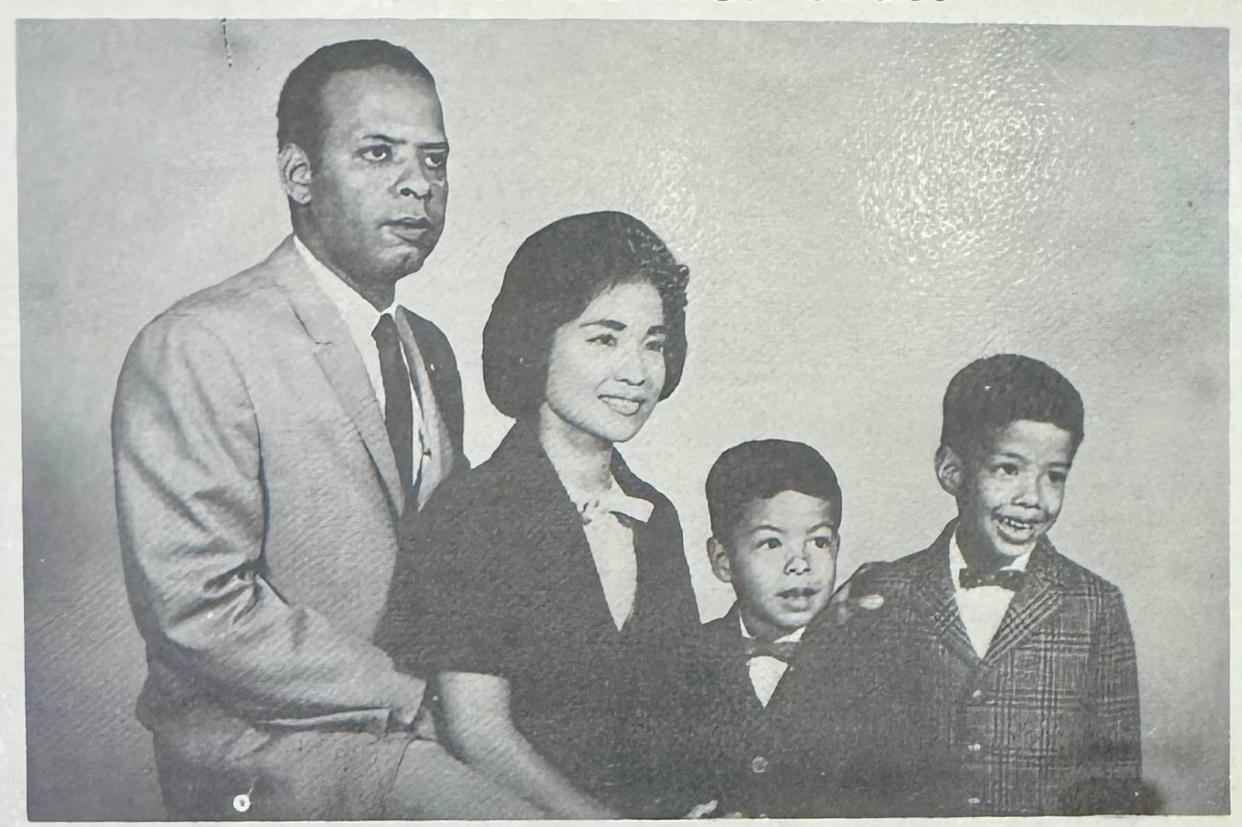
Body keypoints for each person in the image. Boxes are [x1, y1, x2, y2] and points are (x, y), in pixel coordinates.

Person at [111, 39, 541, 819]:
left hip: (412, 730)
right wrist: (415, 700)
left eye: (435, 161)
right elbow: (201, 610)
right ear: (298, 175)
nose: (418, 184)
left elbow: (465, 552)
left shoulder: (429, 350)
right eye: (378, 154)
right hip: (268, 749)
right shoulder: (201, 342)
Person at [378, 211, 699, 818]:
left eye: (653, 343)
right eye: (605, 338)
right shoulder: (472, 513)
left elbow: (682, 707)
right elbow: (481, 738)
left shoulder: (656, 516)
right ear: (535, 341)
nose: (637, 371)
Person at [849, 353, 1142, 815]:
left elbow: (1115, 787)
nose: (1033, 498)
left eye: (1055, 475)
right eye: (1008, 469)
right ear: (953, 471)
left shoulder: (1096, 605)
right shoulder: (884, 592)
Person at [690, 439, 936, 817]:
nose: (800, 563)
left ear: (836, 547)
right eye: (771, 543)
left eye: (819, 541)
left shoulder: (874, 670)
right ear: (722, 560)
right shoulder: (680, 663)